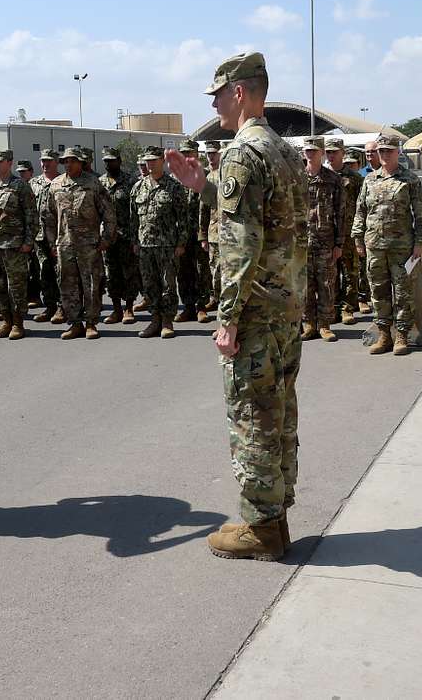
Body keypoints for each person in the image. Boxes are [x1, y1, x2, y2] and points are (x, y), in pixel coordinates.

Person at [166, 51, 307, 561]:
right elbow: (277, 226)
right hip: (286, 306)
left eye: (219, 95)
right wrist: (204, 188)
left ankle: (262, 527)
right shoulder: (284, 151)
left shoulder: (244, 154)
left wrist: (227, 319)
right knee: (280, 412)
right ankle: (276, 513)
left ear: (240, 93)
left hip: (257, 311)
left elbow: (241, 244)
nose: (217, 104)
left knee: (253, 416)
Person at [352, 135, 422, 355]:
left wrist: (420, 242)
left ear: (398, 153)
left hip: (401, 247)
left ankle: (402, 335)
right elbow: (361, 211)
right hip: (374, 245)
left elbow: (420, 213)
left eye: (388, 151)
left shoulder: (409, 179)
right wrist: (358, 239)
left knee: (403, 292)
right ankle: (384, 334)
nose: (384, 155)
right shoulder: (370, 180)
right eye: (381, 151)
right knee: (378, 291)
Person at [49, 147, 115, 340]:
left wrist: (106, 239)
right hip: (65, 245)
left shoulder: (93, 183)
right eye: (66, 161)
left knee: (91, 285)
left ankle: (91, 323)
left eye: (73, 161)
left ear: (81, 162)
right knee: (67, 285)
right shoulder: (56, 185)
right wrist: (52, 242)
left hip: (89, 245)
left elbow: (108, 214)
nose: (68, 164)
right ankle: (75, 323)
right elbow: (49, 216)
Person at [130, 146, 187, 339]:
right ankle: (154, 320)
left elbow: (183, 218)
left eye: (154, 160)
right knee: (150, 285)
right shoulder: (138, 187)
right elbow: (133, 219)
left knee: (168, 285)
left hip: (167, 246)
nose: (150, 163)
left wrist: (181, 243)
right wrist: (135, 242)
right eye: (148, 160)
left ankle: (167, 321)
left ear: (162, 161)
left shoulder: (174, 187)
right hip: (145, 246)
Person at [0, 149, 36, 340]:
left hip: (14, 245)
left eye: (0, 161)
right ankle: (6, 320)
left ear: (9, 163)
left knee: (16, 286)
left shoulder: (20, 186)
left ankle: (18, 323)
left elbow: (31, 215)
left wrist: (29, 242)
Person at [302, 136, 343, 342]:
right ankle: (308, 323)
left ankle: (325, 325)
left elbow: (340, 213)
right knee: (305, 285)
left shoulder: (333, 179)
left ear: (321, 153)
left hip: (325, 241)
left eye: (314, 150)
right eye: (307, 150)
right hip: (301, 243)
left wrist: (339, 243)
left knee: (326, 283)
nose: (310, 153)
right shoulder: (297, 177)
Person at [99, 146, 140, 325]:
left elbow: (137, 211)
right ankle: (116, 309)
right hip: (107, 237)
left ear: (120, 161)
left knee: (129, 272)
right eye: (106, 161)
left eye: (112, 160)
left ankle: (129, 307)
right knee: (111, 274)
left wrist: (135, 237)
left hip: (126, 235)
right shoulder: (99, 183)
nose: (109, 164)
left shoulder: (131, 181)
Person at [325, 137, 361, 324]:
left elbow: (362, 205)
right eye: (328, 152)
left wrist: (359, 232)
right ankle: (332, 308)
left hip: (348, 232)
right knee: (330, 273)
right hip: (327, 233)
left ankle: (347, 308)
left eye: (334, 152)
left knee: (349, 272)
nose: (331, 156)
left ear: (342, 153)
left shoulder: (354, 178)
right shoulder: (322, 175)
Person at [175, 139, 211, 323]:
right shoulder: (175, 178)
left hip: (199, 232)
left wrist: (205, 233)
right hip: (181, 233)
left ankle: (201, 306)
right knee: (184, 271)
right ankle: (188, 306)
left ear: (197, 154)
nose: (187, 156)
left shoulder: (206, 175)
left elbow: (209, 207)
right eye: (184, 153)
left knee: (202, 270)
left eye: (190, 153)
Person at [30, 149, 61, 323]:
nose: (45, 164)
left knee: (61, 273)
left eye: (49, 161)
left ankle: (63, 307)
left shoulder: (62, 182)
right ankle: (50, 307)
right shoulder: (34, 183)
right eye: (42, 161)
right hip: (39, 237)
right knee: (44, 273)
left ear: (56, 162)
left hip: (58, 236)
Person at [198, 140, 223, 312]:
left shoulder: (227, 174)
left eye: (214, 153)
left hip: (230, 233)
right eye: (208, 154)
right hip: (214, 232)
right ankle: (215, 298)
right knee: (215, 271)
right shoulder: (207, 178)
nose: (211, 156)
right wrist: (203, 236)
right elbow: (203, 209)